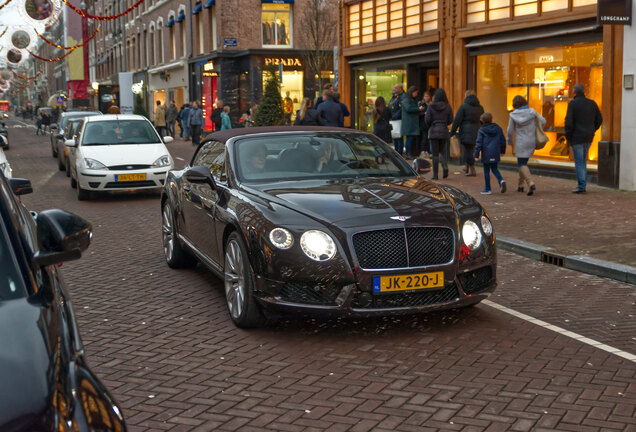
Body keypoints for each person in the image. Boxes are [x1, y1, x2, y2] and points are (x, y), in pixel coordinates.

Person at [565, 83, 603, 194]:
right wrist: (592, 130)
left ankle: (582, 186)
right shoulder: (592, 104)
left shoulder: (573, 104)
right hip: (588, 136)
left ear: (574, 92)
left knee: (579, 162)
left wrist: (568, 136)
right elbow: (599, 119)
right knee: (583, 161)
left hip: (576, 137)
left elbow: (568, 123)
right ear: (584, 91)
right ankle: (583, 184)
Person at [507, 95, 545, 196]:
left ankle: (530, 182)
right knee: (523, 162)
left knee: (521, 164)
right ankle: (520, 185)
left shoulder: (513, 115)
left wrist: (509, 141)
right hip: (531, 140)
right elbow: (543, 121)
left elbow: (509, 131)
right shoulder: (532, 112)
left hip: (520, 141)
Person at [451, 90, 484, 177]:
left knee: (467, 151)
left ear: (466, 96)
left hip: (466, 131)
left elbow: (457, 120)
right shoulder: (480, 108)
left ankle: (472, 169)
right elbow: (483, 120)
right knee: (471, 149)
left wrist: (452, 131)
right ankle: (467, 167)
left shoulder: (464, 107)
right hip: (477, 130)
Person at [475, 112, 507, 195]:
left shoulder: (481, 130)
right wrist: (502, 151)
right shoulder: (498, 128)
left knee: (486, 171)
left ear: (482, 120)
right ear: (492, 119)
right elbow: (503, 141)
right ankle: (501, 180)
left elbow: (479, 143)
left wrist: (476, 155)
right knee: (494, 168)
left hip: (486, 153)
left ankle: (488, 189)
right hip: (495, 152)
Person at [425, 88, 453, 180]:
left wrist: (432, 124)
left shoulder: (431, 106)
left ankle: (435, 175)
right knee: (443, 151)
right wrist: (444, 123)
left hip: (434, 130)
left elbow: (427, 120)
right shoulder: (448, 106)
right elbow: (450, 120)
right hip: (444, 130)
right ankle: (445, 167)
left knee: (435, 154)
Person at [402, 86, 423, 159]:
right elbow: (408, 108)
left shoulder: (411, 99)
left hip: (412, 123)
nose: (416, 95)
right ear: (412, 92)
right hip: (409, 123)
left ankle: (409, 153)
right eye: (416, 93)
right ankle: (407, 153)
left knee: (411, 138)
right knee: (409, 138)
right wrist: (418, 109)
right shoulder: (406, 99)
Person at [388, 83, 406, 155]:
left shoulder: (403, 96)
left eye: (396, 88)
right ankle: (396, 151)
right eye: (394, 88)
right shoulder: (394, 97)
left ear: (400, 89)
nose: (394, 89)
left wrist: (395, 116)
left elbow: (401, 109)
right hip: (392, 119)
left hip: (398, 119)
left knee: (399, 136)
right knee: (394, 136)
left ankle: (399, 152)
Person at [418, 91, 431, 157]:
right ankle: (422, 151)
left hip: (428, 124)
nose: (426, 97)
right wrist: (424, 113)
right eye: (425, 96)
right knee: (423, 137)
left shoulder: (429, 104)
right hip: (423, 123)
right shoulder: (421, 104)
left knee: (427, 138)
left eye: (428, 96)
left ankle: (426, 151)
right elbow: (418, 113)